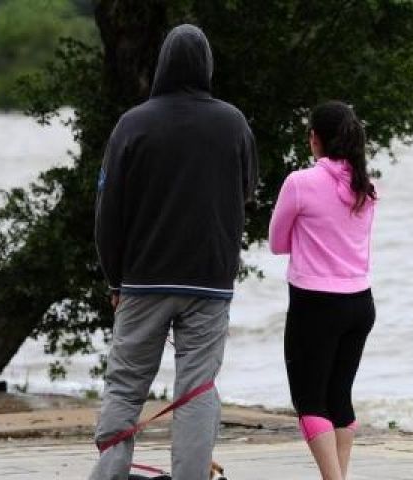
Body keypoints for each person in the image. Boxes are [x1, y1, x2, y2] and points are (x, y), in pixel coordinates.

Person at [90, 24, 258, 480]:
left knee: (125, 387)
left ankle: (108, 475)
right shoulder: (233, 123)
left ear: (162, 64)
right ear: (207, 67)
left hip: (143, 280)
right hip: (210, 281)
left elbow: (108, 212)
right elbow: (247, 193)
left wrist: (114, 280)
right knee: (197, 390)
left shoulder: (133, 124)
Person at [268, 101, 377, 480]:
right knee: (339, 399)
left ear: (314, 139)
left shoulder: (299, 183)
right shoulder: (366, 188)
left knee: (310, 401)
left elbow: (277, 242)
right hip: (361, 304)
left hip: (316, 305)